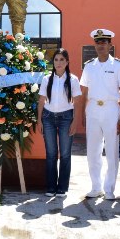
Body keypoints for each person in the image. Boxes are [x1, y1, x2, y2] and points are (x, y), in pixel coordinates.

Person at [80, 28, 120, 201]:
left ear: (110, 45)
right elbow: (84, 92)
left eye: (104, 42)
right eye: (98, 42)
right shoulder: (89, 66)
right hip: (92, 109)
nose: (100, 45)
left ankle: (109, 189)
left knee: (111, 150)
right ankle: (96, 186)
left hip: (111, 109)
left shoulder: (118, 65)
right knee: (92, 151)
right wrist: (82, 115)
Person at [37, 48, 82, 197]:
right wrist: (39, 121)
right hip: (48, 118)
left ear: (67, 62)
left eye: (62, 59)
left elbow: (78, 102)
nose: (59, 62)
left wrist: (75, 121)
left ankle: (62, 187)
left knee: (65, 154)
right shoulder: (46, 79)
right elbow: (41, 101)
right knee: (50, 154)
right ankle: (51, 187)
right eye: (56, 59)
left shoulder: (73, 80)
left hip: (66, 118)